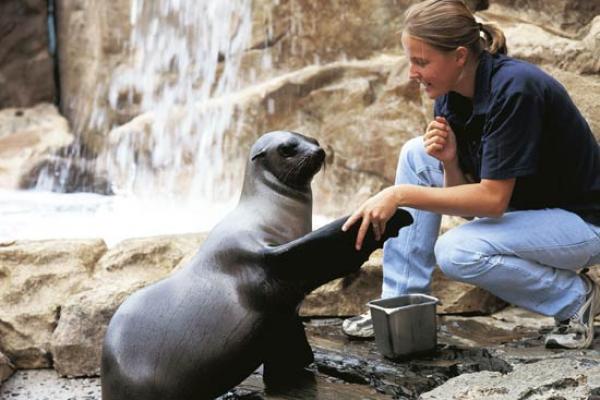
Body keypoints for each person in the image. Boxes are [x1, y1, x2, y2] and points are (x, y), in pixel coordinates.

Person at [341, 0, 600, 349]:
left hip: (583, 223)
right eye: (410, 60)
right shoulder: (450, 95)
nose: (410, 73)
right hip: (528, 215)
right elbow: (469, 210)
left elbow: (491, 203)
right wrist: (449, 163)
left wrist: (397, 195)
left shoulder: (515, 89)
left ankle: (573, 298)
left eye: (421, 62)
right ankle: (401, 303)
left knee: (457, 252)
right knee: (417, 153)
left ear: (460, 56)